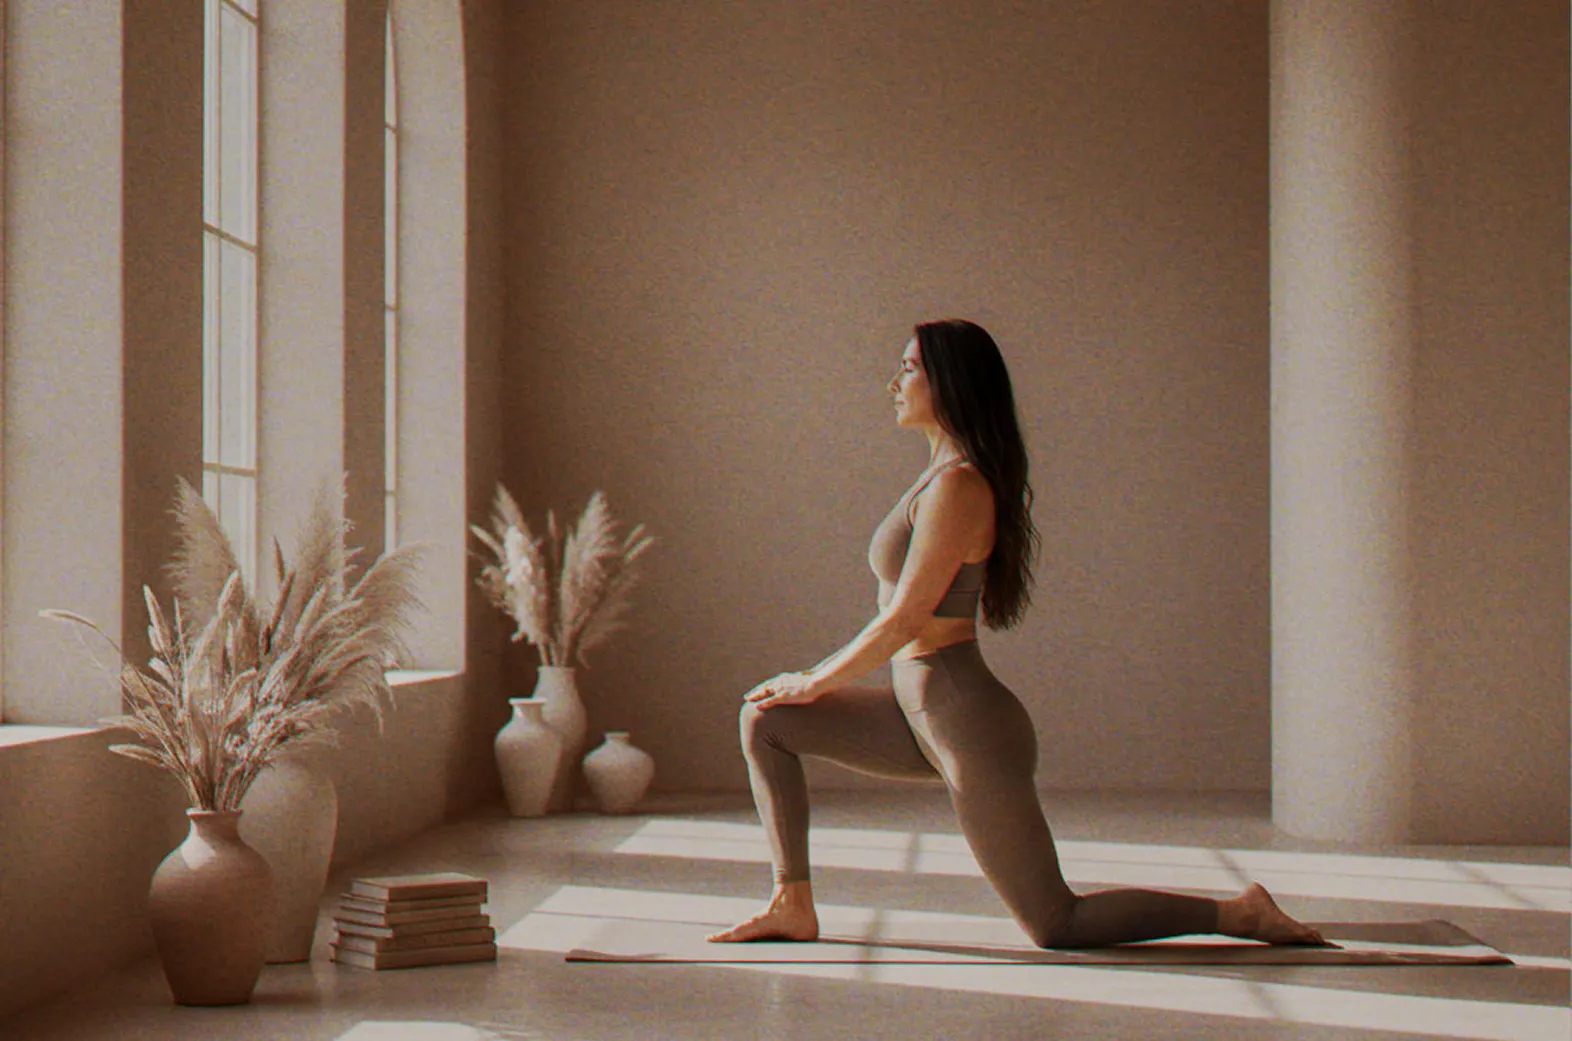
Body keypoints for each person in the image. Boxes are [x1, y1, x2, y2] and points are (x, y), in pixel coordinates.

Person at [707, 318, 1325, 949]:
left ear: (951, 382)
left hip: (964, 719)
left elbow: (906, 618)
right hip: (923, 712)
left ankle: (1239, 914)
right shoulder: (936, 478)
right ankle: (791, 903)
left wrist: (815, 679)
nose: (893, 382)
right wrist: (805, 688)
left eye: (910, 368)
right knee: (767, 720)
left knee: (1058, 923)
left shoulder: (959, 486)